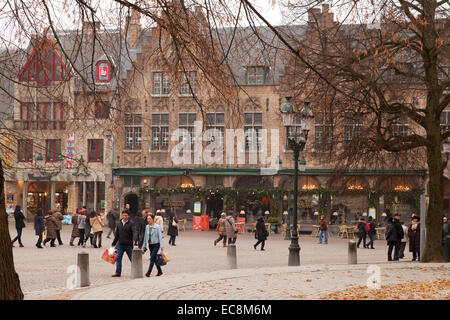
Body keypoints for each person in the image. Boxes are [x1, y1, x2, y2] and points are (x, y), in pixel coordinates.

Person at [111, 211, 135, 277]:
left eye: (126, 215)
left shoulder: (131, 223)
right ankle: (118, 273)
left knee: (132, 259)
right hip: (120, 244)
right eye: (123, 215)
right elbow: (117, 235)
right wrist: (113, 243)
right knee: (118, 258)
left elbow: (134, 232)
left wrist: (134, 239)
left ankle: (136, 271)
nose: (124, 217)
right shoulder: (119, 223)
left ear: (128, 216)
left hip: (128, 245)